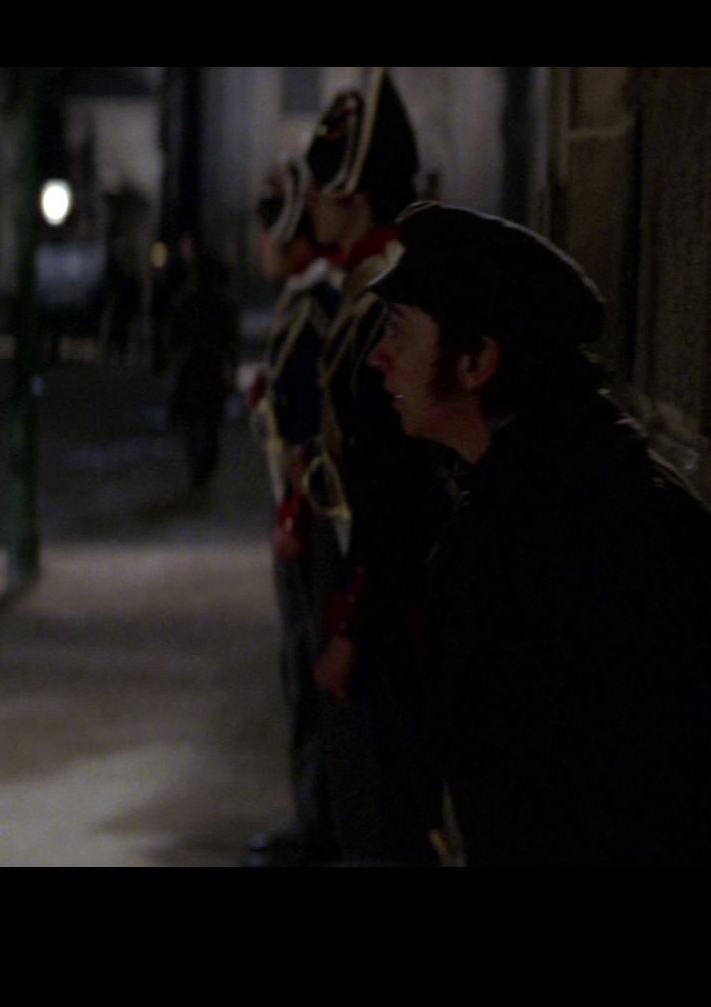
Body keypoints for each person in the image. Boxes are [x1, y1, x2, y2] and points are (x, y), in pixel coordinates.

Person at [366, 201, 711, 865]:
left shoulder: (580, 533)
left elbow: (597, 803)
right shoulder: (534, 488)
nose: (379, 357)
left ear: (477, 361)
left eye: (399, 329)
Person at [302, 70, 453, 865]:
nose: (309, 203)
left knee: (386, 802)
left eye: (319, 186)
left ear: (352, 194)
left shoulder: (384, 294)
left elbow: (392, 479)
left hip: (389, 582)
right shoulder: (372, 279)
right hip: (377, 564)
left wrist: (352, 621)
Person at [245, 157, 343, 865]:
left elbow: (312, 427)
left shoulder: (316, 310)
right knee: (299, 666)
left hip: (309, 519)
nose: (259, 244)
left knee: (310, 669)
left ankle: (319, 822)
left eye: (268, 227)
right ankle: (314, 813)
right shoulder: (305, 304)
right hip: (297, 511)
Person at [168, 247, 239, 490]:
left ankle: (199, 467)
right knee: (209, 422)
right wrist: (232, 371)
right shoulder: (221, 302)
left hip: (194, 367)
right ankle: (205, 465)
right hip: (211, 367)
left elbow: (174, 340)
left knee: (195, 422)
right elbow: (231, 342)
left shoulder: (187, 301)